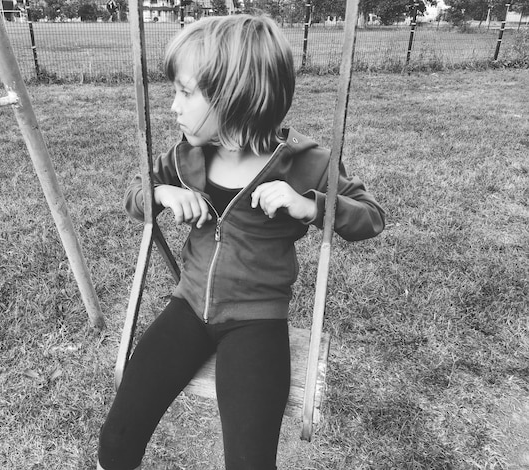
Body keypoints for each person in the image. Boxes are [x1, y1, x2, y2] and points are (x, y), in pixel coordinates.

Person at [98, 14, 385, 470]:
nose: (173, 107)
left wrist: (311, 206)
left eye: (185, 92)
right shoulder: (184, 155)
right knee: (116, 438)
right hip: (187, 308)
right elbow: (134, 198)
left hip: (257, 324)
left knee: (250, 461)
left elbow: (370, 217)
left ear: (237, 98)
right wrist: (159, 192)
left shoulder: (306, 163)